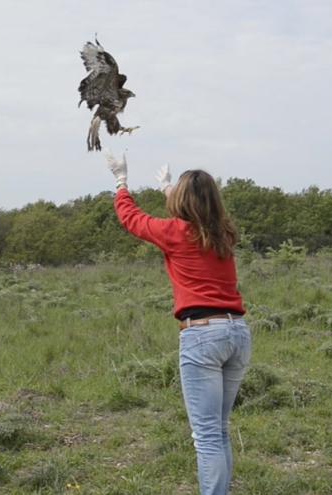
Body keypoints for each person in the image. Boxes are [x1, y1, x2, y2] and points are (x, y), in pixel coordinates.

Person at [104, 150, 252, 495]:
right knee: (219, 430)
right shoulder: (224, 234)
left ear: (182, 202)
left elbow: (132, 219)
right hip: (237, 333)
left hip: (202, 336)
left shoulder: (175, 233)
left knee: (207, 436)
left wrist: (121, 181)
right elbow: (193, 213)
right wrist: (168, 188)